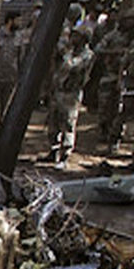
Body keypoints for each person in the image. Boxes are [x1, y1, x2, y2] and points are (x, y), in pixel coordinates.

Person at [47, 27, 95, 167]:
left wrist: (64, 54)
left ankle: (64, 156)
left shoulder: (88, 55)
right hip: (58, 91)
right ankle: (53, 151)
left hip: (71, 94)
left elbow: (73, 66)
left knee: (67, 124)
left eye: (77, 36)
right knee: (53, 122)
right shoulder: (70, 52)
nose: (73, 38)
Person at [94, 13, 134, 153]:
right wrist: (115, 52)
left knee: (121, 110)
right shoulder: (113, 36)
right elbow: (98, 49)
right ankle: (105, 135)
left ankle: (117, 139)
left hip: (128, 79)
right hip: (110, 75)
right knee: (105, 108)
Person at [0, 10, 24, 128]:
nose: (20, 23)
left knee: (6, 106)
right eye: (18, 20)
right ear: (10, 21)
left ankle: (1, 127)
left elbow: (20, 57)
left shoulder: (19, 37)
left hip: (11, 77)